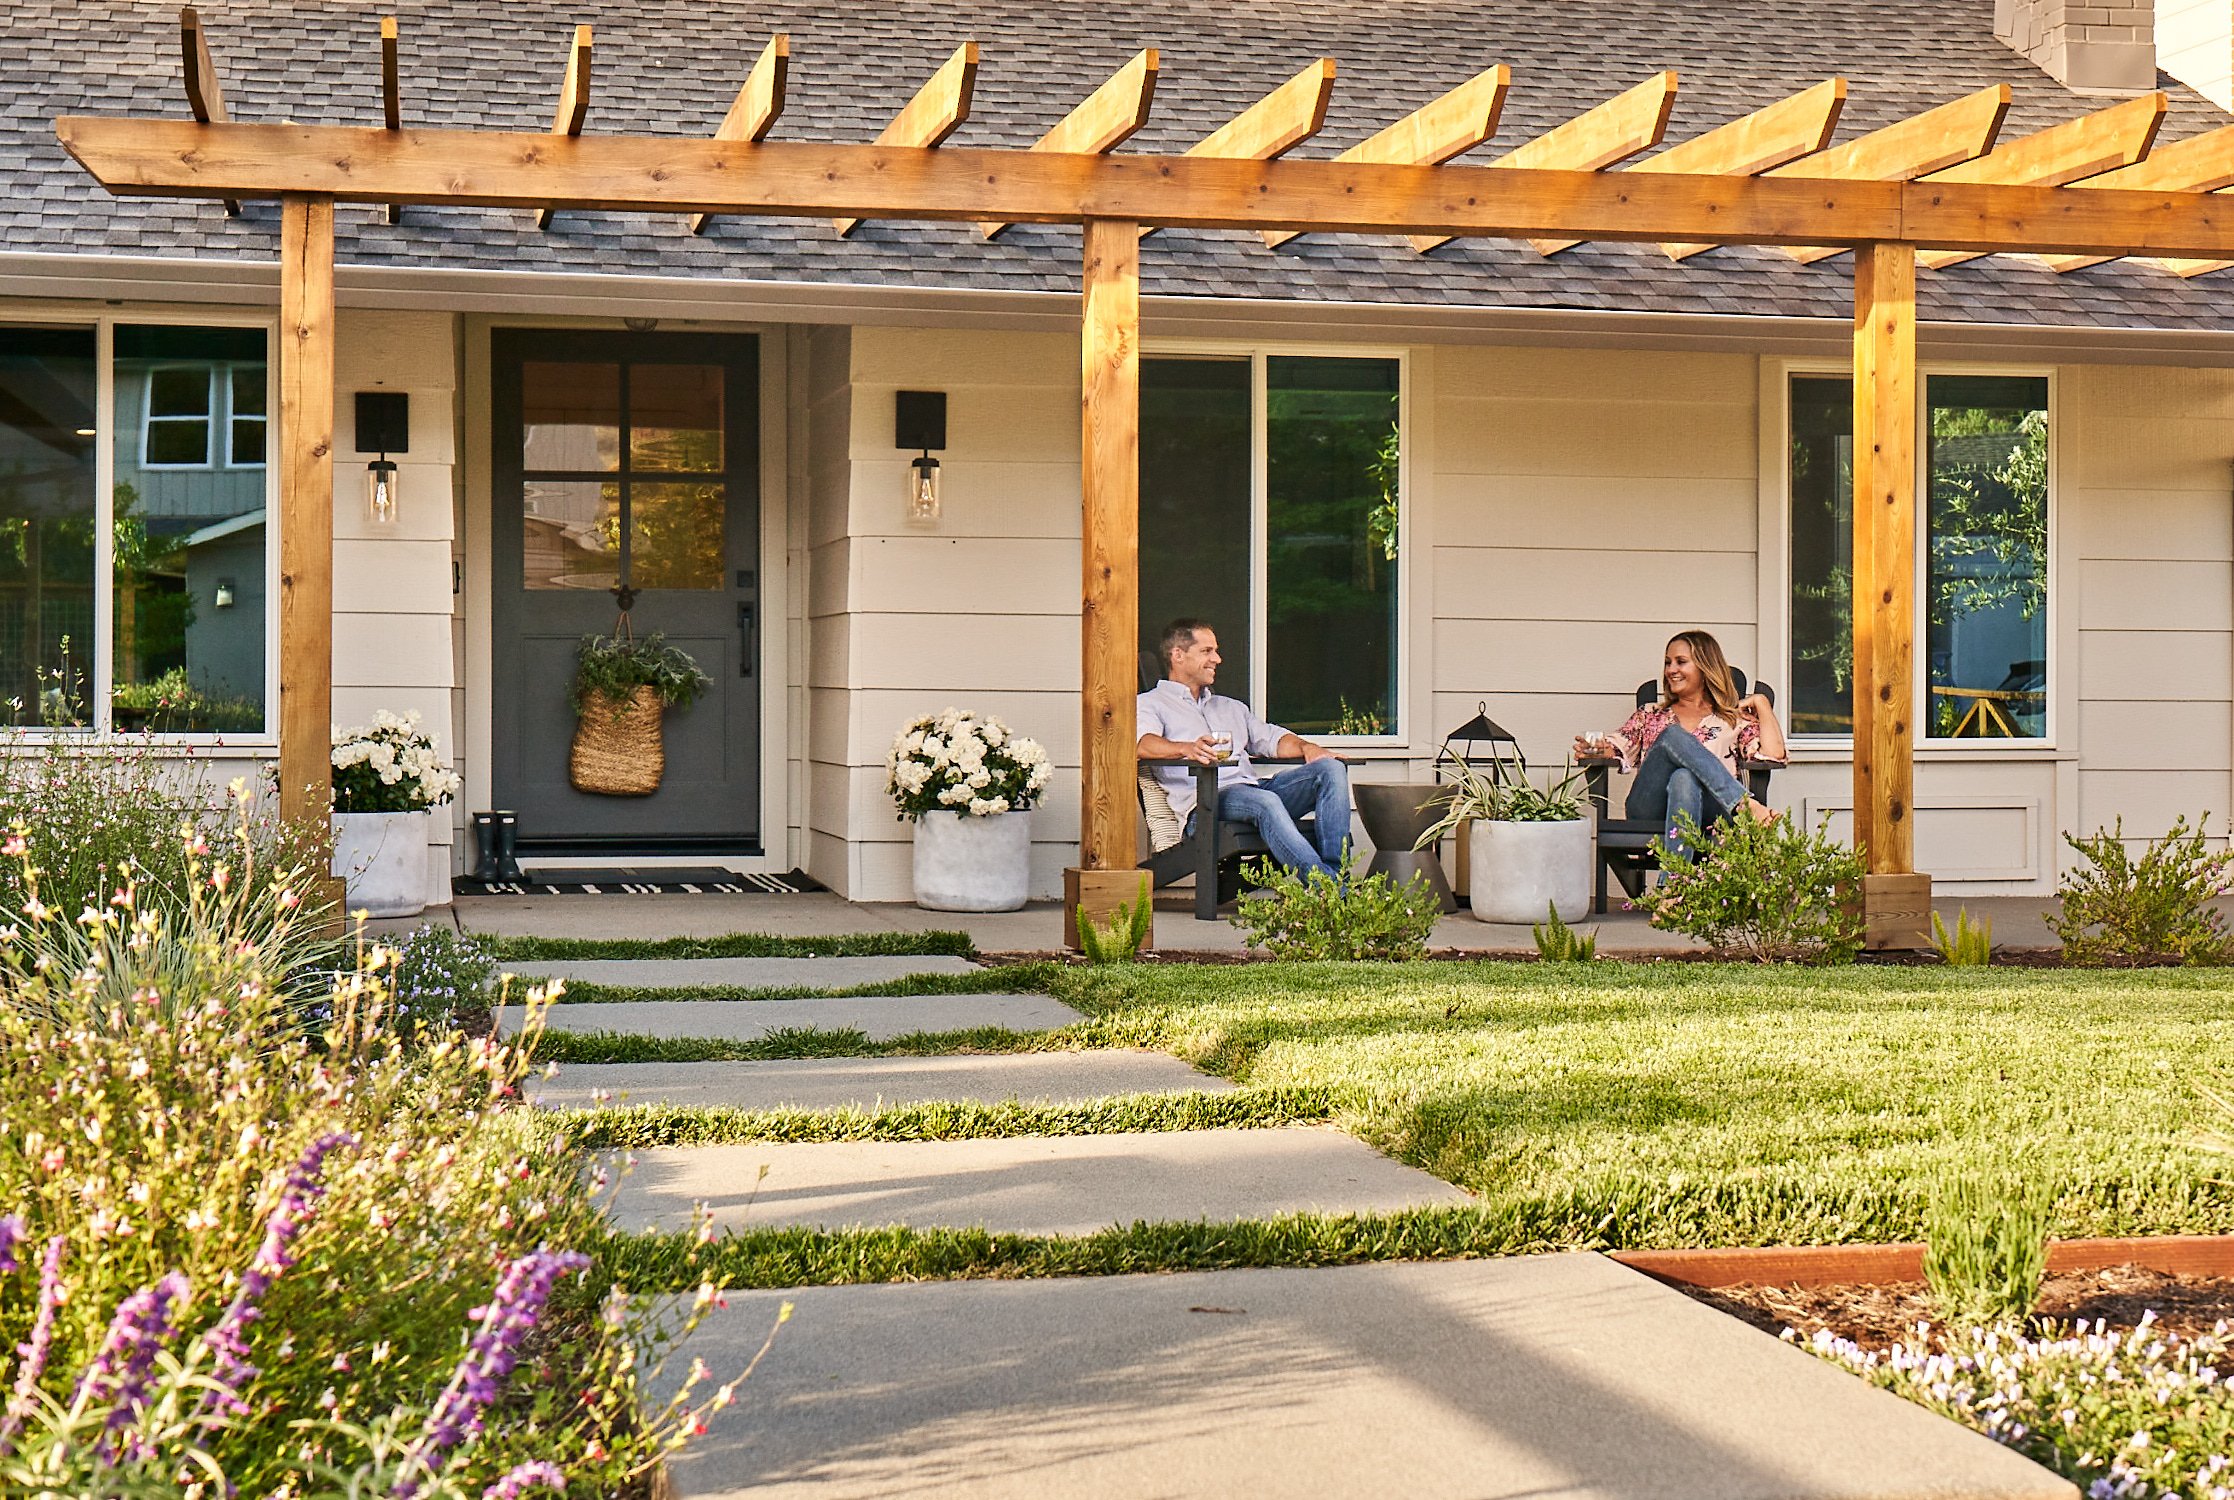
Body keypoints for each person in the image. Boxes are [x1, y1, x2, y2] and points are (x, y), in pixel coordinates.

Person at [1137, 618, 1351, 880]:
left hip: (1254, 791)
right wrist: (1186, 748)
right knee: (1266, 801)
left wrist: (1308, 747)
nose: (1217, 659)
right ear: (1178, 655)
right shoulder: (1151, 703)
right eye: (1207, 651)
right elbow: (1142, 744)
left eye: (1216, 650)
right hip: (1206, 804)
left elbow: (1272, 739)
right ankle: (1329, 890)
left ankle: (1338, 876)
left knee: (1331, 768)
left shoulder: (1230, 707)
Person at [1572, 630, 1786, 860]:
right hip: (1649, 810)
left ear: (1705, 667)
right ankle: (1744, 805)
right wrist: (1598, 749)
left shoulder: (1731, 720)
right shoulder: (1651, 715)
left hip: (1712, 811)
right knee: (1672, 735)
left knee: (1683, 778)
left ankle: (1672, 887)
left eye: (1681, 662)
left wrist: (1761, 703)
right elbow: (1617, 745)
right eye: (1668, 663)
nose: (1671, 670)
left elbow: (1773, 755)